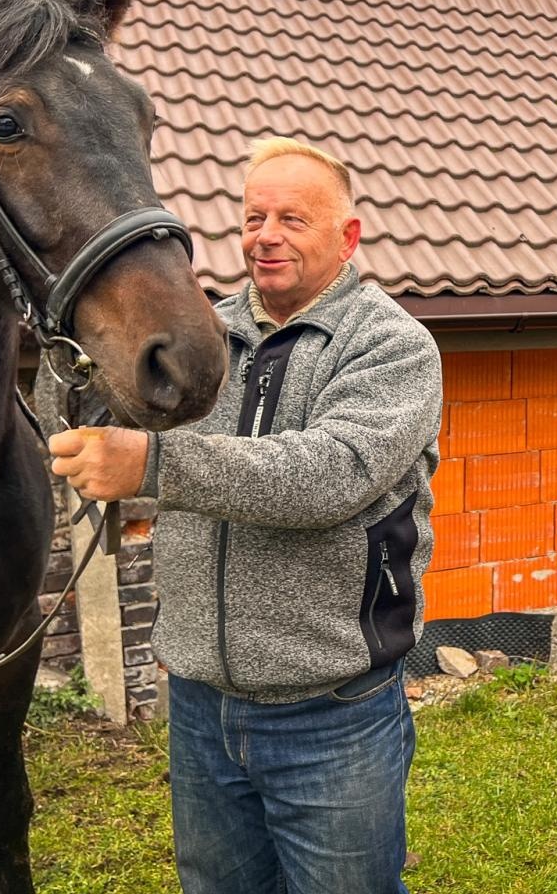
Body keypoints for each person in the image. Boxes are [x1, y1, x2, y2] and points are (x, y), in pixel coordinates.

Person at [48, 136, 442, 894]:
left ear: (347, 236)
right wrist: (72, 333)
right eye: (254, 216)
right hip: (199, 706)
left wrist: (152, 464)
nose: (265, 236)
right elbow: (76, 415)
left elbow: (328, 476)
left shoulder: (392, 348)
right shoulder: (200, 336)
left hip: (333, 714)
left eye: (293, 219)